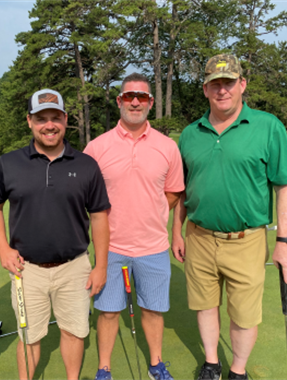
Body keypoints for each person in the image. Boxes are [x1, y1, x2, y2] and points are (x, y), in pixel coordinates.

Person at [171, 54, 287, 380]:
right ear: (204, 89)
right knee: (204, 304)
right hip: (199, 236)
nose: (222, 90)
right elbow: (183, 191)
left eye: (229, 82)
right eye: (215, 83)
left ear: (242, 84)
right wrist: (177, 231)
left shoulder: (267, 126)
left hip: (246, 239)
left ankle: (237, 370)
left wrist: (284, 241)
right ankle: (212, 363)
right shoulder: (190, 134)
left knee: (244, 315)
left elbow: (285, 185)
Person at [0, 88, 110, 380]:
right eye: (41, 118)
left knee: (75, 331)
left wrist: (101, 266)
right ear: (29, 121)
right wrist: (3, 248)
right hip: (26, 269)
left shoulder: (86, 165)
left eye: (56, 117)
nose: (49, 125)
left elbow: (100, 216)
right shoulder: (8, 164)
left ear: (66, 119)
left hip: (74, 266)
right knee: (29, 337)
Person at [84, 73, 184, 380]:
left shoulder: (167, 147)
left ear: (151, 102)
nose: (136, 102)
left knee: (153, 310)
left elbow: (173, 192)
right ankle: (104, 368)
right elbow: (84, 198)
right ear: (119, 102)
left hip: (153, 247)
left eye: (142, 97)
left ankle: (156, 363)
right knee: (109, 311)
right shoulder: (97, 147)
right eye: (129, 96)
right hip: (109, 248)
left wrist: (149, 213)